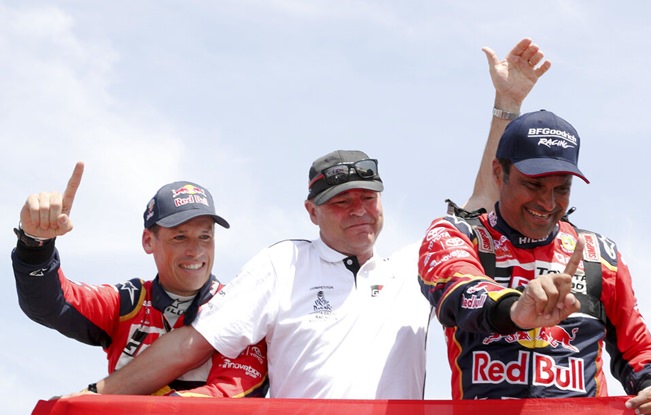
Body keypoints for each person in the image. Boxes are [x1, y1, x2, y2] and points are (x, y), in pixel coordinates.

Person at [70, 37, 552, 399]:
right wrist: (96, 395)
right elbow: (192, 345)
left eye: (369, 197)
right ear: (312, 211)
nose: (359, 210)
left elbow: (485, 201)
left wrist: (507, 105)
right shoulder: (283, 265)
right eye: (342, 201)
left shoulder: (417, 266)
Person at [417, 110, 651, 413]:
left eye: (562, 189)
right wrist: (514, 309)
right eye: (533, 185)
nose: (548, 203)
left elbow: (638, 348)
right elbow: (458, 292)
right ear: (498, 173)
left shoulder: (600, 255)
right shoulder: (458, 236)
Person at [12, 163, 269, 397]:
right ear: (148, 241)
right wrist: (35, 245)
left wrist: (100, 399)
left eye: (205, 237)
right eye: (180, 238)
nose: (196, 251)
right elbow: (51, 304)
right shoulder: (128, 302)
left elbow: (231, 397)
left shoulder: (238, 308)